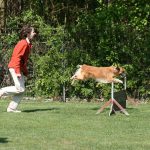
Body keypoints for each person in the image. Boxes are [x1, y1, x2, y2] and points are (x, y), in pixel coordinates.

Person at [0, 25, 36, 112]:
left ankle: (11, 108)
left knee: (22, 90)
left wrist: (25, 72)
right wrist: (17, 72)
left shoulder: (28, 44)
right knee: (19, 89)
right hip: (14, 67)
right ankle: (1, 91)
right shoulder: (23, 43)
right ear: (28, 34)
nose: (35, 33)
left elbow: (23, 61)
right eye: (33, 32)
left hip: (19, 68)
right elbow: (17, 58)